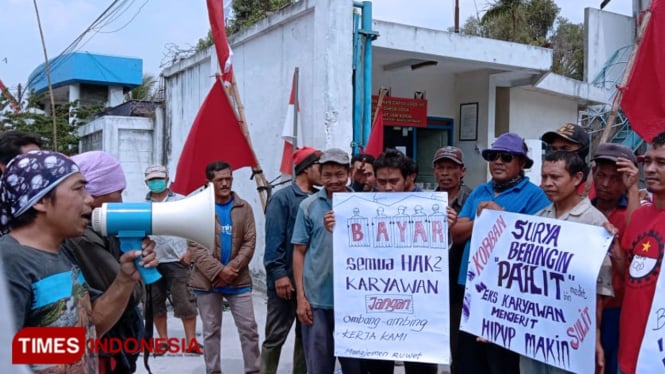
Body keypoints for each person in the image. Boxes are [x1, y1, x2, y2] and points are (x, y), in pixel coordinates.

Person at [0, 150, 157, 373]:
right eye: (79, 188)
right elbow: (6, 354)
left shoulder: (60, 254)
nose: (90, 198)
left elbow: (91, 327)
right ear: (42, 200)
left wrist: (125, 279)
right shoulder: (10, 262)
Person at [451, 132, 550, 374]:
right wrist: (482, 221)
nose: (498, 161)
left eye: (506, 157)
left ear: (523, 163)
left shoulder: (536, 195)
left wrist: (499, 216)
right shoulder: (479, 192)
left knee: (501, 362)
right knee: (467, 360)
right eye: (493, 156)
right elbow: (457, 233)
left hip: (508, 293)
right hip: (472, 287)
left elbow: (532, 242)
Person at [519, 151, 615, 374]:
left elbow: (599, 288)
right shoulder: (538, 219)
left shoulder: (595, 224)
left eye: (555, 177)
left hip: (571, 334)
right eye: (544, 177)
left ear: (577, 178)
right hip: (533, 330)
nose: (547, 184)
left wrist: (594, 336)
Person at [66, 151, 152, 373]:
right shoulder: (83, 237)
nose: (121, 201)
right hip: (107, 347)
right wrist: (132, 277)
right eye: (118, 192)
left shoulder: (100, 231)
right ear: (95, 193)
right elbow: (131, 295)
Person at [188, 161, 260, 374]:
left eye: (228, 178)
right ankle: (213, 371)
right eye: (220, 180)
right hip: (206, 282)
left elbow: (250, 240)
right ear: (209, 182)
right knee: (211, 331)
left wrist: (231, 270)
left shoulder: (244, 207)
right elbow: (195, 245)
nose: (225, 183)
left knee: (250, 330)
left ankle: (253, 370)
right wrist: (219, 271)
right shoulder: (198, 208)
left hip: (238, 280)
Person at [292, 148, 359, 374]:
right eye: (328, 174)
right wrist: (301, 298)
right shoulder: (308, 206)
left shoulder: (363, 205)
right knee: (319, 366)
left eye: (339, 174)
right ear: (320, 174)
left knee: (354, 366)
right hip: (317, 299)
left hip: (353, 301)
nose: (334, 180)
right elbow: (299, 251)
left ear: (349, 173)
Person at [261, 146, 321, 374]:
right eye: (320, 166)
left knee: (305, 337)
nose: (324, 172)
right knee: (276, 336)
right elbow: (274, 240)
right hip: (285, 282)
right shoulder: (282, 199)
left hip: (311, 282)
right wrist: (279, 275)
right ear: (306, 169)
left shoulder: (320, 199)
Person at [589, 143, 640, 374]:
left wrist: (632, 192)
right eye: (601, 176)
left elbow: (634, 259)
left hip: (618, 310)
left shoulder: (634, 211)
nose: (606, 184)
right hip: (583, 309)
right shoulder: (582, 211)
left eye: (615, 178)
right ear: (593, 175)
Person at [617, 132, 665, 374]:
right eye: (648, 161)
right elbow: (626, 270)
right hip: (628, 352)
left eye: (662, 163)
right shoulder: (639, 216)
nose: (651, 169)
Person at [143, 164, 201, 354]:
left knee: (185, 301)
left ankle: (191, 341)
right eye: (152, 180)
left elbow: (195, 226)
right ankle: (162, 341)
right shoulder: (142, 207)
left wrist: (190, 252)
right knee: (155, 303)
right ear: (146, 182)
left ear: (167, 180)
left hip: (178, 259)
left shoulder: (182, 202)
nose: (156, 183)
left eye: (159, 179)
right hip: (153, 262)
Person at [432, 146, 471, 374]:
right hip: (427, 287)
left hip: (458, 287)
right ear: (434, 171)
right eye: (441, 168)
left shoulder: (472, 198)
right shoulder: (424, 199)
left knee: (458, 349)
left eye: (451, 168)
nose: (445, 173)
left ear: (462, 171)